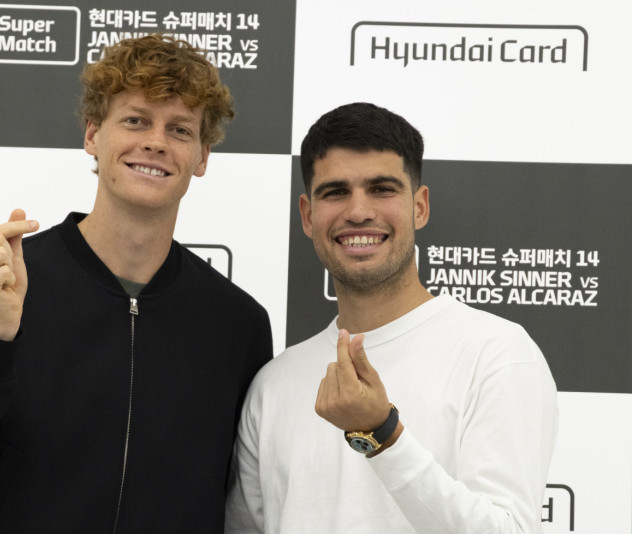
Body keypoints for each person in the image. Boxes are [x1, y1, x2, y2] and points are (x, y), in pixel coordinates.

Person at [0, 35, 272, 534]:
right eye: (135, 120)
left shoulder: (235, 325)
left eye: (180, 129)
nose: (156, 141)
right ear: (92, 136)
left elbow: (245, 507)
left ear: (202, 157)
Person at [225, 102, 557, 533]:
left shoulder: (496, 354)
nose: (358, 211)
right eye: (335, 192)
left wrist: (381, 434)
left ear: (420, 206)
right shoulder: (274, 384)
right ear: (307, 215)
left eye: (382, 189)